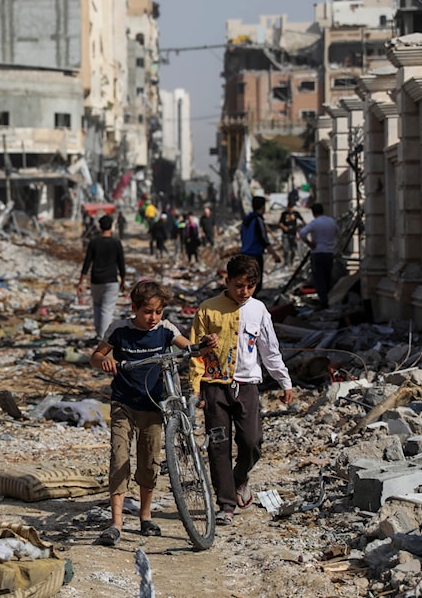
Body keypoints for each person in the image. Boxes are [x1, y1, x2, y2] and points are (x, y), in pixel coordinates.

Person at [90, 281, 217, 545]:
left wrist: (205, 345)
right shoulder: (120, 330)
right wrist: (105, 360)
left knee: (149, 462)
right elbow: (96, 355)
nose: (153, 318)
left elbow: (190, 348)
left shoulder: (165, 330)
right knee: (119, 457)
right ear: (134, 308)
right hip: (123, 403)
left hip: (153, 405)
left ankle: (145, 517)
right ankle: (116, 523)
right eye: (148, 312)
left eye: (158, 312)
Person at [189, 255, 294, 526]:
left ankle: (239, 478)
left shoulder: (258, 310)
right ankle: (226, 503)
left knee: (252, 441)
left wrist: (284, 381)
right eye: (238, 286)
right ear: (227, 282)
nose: (244, 292)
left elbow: (270, 350)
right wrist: (196, 389)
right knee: (219, 446)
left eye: (250, 286)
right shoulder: (208, 309)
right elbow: (194, 353)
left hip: (247, 387)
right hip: (215, 388)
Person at [77, 214, 126, 342]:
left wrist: (81, 282)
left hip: (96, 280)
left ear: (100, 226)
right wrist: (123, 280)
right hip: (111, 280)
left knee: (97, 307)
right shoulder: (116, 242)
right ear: (111, 226)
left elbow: (87, 263)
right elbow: (121, 263)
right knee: (107, 310)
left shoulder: (94, 242)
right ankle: (102, 338)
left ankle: (99, 334)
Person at [298, 203, 336, 308]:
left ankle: (323, 301)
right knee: (327, 277)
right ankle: (328, 298)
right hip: (329, 253)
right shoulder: (331, 221)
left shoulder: (315, 223)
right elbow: (337, 231)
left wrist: (309, 243)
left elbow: (302, 233)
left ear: (313, 213)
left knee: (319, 278)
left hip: (318, 253)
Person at [240, 195, 280, 291]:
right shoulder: (258, 220)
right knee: (255, 284)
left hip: (245, 254)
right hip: (255, 255)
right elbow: (264, 239)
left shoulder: (246, 220)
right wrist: (274, 255)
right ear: (262, 207)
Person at [277, 202, 306, 267]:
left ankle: (291, 261)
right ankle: (286, 262)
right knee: (286, 249)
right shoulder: (284, 214)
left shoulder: (296, 213)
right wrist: (284, 227)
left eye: (292, 207)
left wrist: (305, 227)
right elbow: (280, 223)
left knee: (293, 249)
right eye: (289, 208)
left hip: (293, 234)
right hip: (285, 234)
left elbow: (303, 220)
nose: (291, 209)